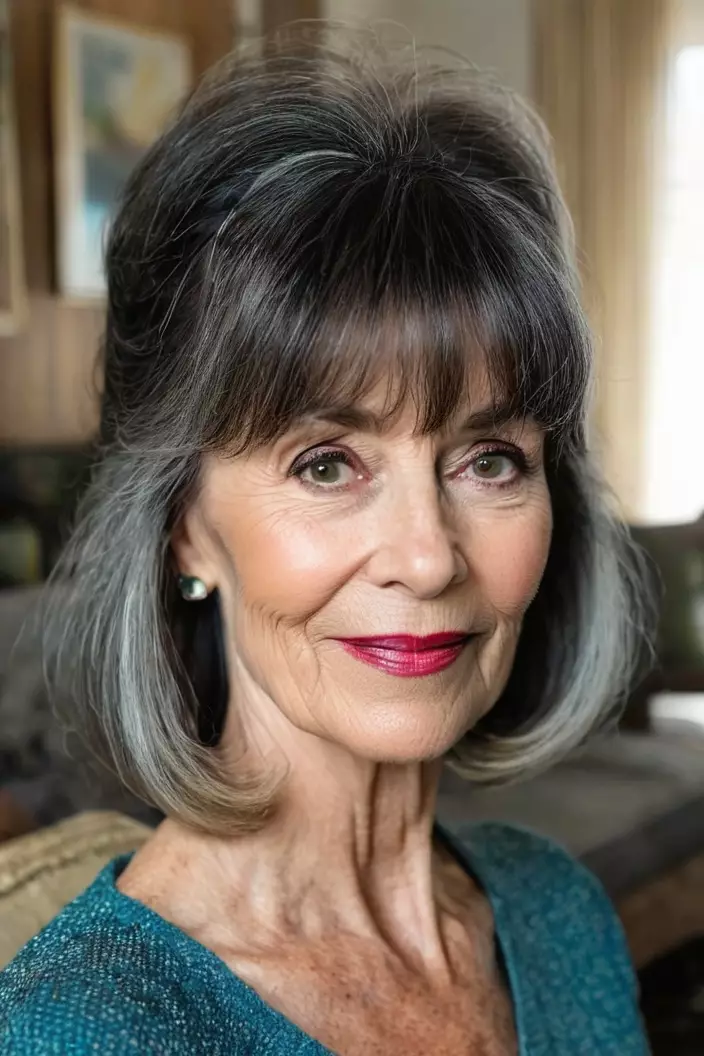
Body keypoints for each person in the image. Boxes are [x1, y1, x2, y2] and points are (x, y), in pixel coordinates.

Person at [0, 29, 650, 1055]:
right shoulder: (95, 1027)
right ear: (183, 530)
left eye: (488, 460)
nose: (428, 557)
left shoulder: (554, 913)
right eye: (326, 464)